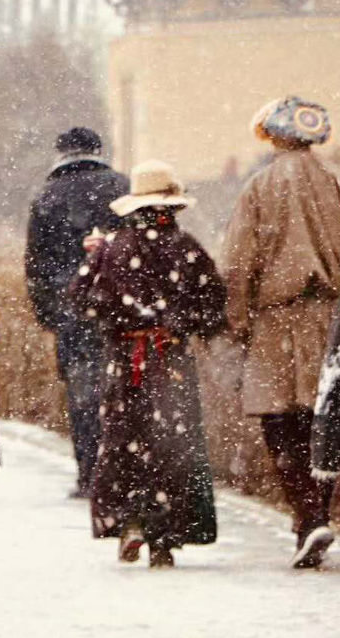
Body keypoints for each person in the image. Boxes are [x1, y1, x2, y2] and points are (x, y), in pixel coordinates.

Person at [68, 160, 226, 568]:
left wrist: (114, 317)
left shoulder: (112, 248)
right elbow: (213, 306)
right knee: (172, 444)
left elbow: (80, 296)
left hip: (124, 362)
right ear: (171, 208)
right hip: (170, 359)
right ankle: (165, 536)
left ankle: (131, 521)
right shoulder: (187, 248)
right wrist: (181, 324)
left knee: (124, 441)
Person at [221, 96, 340, 569]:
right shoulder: (333, 185)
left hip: (275, 320)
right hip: (330, 319)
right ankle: (320, 512)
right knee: (324, 421)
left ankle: (306, 518)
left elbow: (236, 263)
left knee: (280, 423)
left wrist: (237, 320)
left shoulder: (259, 187)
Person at [27, 127, 130, 498]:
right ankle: (123, 471)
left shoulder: (46, 196)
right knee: (122, 392)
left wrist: (49, 314)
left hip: (71, 310)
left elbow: (36, 265)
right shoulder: (122, 188)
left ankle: (90, 474)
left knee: (82, 395)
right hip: (120, 309)